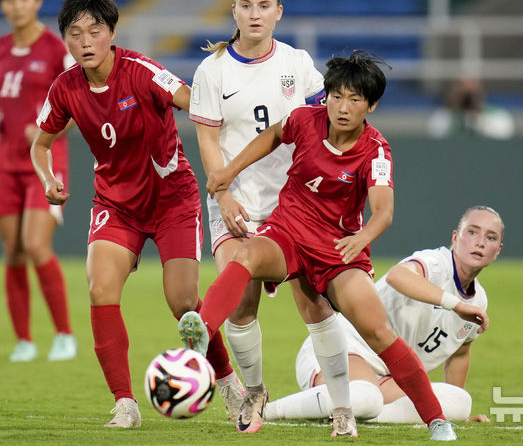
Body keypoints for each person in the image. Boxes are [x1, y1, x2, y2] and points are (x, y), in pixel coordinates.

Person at [179, 51, 462, 440]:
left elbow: (383, 211)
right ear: (325, 96)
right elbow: (274, 134)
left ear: (371, 105)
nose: (343, 108)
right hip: (289, 233)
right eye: (336, 96)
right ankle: (200, 332)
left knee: (377, 331)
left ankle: (435, 419)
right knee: (244, 255)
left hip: (338, 250)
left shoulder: (376, 150)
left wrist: (361, 238)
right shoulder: (304, 120)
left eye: (355, 100)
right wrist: (230, 170)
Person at [31, 0, 240, 428]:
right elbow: (41, 145)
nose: (85, 41)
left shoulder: (141, 70)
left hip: (171, 200)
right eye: (75, 33)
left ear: (111, 33)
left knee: (183, 303)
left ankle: (226, 381)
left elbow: (189, 99)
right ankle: (125, 404)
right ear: (65, 39)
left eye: (94, 30)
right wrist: (49, 179)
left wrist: (222, 102)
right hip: (116, 204)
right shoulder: (65, 88)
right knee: (99, 290)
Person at [187, 0, 325, 428]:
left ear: (279, 12)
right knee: (242, 303)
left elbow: (325, 126)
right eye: (246, 5)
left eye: (264, 5)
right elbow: (208, 140)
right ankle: (255, 393)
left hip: (294, 205)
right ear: (234, 11)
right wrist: (222, 194)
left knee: (316, 303)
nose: (255, 14)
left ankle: (341, 402)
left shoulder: (298, 64)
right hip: (237, 200)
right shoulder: (212, 70)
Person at [263, 206, 503, 424]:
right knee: (365, 397)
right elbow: (399, 276)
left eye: (490, 237)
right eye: (472, 232)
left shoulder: (479, 299)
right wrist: (456, 305)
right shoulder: (437, 263)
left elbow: (460, 353)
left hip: (387, 376)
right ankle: (269, 410)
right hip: (341, 349)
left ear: (497, 250)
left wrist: (456, 416)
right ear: (455, 237)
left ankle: (367, 415)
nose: (480, 242)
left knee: (459, 401)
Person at [0, 0, 76, 363]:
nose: (16, 5)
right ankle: (24, 340)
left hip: (45, 164)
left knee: (36, 244)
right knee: (13, 250)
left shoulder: (55, 50)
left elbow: (75, 106)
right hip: (4, 163)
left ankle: (64, 335)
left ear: (37, 0)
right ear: (2, 5)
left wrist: (50, 130)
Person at [426, 78, 514, 139]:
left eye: (472, 94)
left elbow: (502, 136)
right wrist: (457, 115)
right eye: (462, 93)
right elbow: (436, 136)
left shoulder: (499, 115)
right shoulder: (442, 116)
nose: (467, 100)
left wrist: (476, 117)